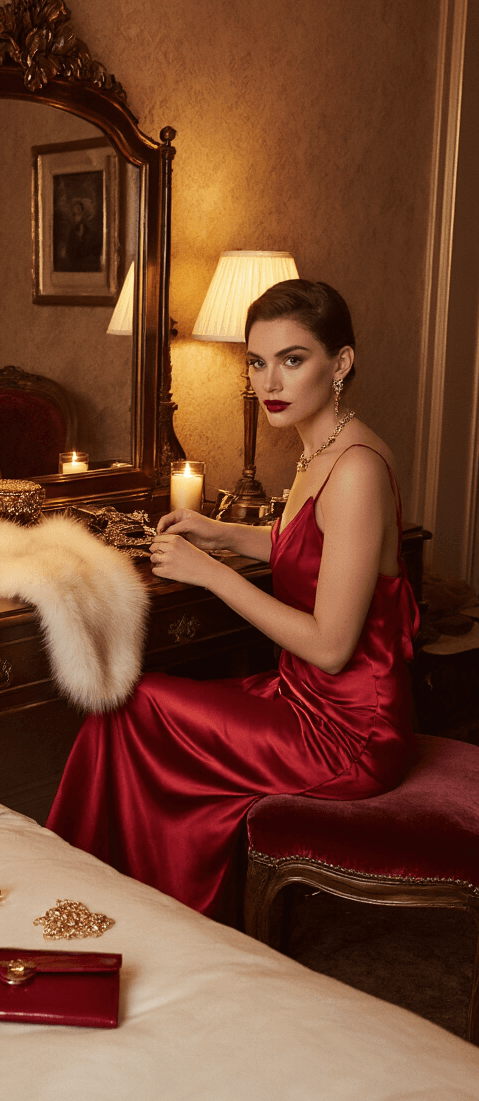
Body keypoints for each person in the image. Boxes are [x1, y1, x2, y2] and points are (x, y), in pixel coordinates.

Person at [46, 279, 419, 920]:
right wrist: (220, 533)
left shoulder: (355, 468)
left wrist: (214, 574)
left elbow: (331, 647)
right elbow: (308, 553)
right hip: (302, 700)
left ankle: (131, 903)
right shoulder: (321, 447)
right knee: (133, 703)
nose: (268, 382)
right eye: (256, 362)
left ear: (342, 363)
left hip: (350, 732)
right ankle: (117, 892)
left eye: (292, 360)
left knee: (132, 703)